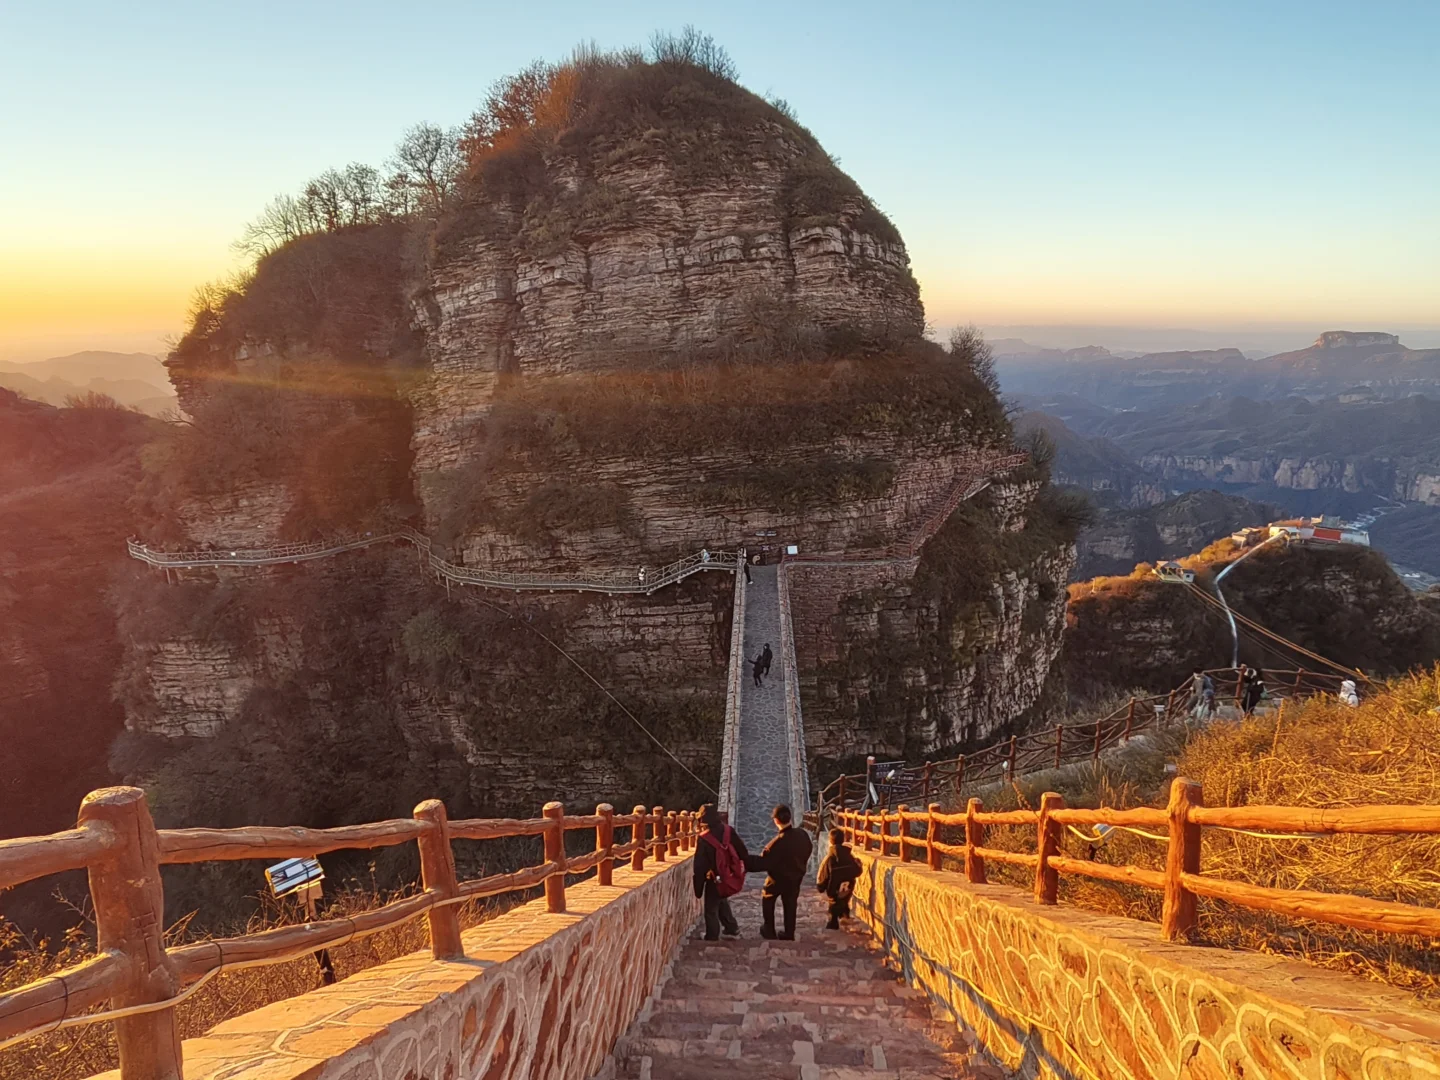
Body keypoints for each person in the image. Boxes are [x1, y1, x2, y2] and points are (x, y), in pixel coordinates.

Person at [748, 804, 813, 940]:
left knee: (768, 898)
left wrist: (745, 862)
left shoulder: (776, 843)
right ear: (790, 818)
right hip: (796, 876)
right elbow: (809, 848)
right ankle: (789, 933)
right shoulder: (802, 834)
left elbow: (764, 863)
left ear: (776, 821)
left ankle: (769, 930)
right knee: (790, 903)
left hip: (778, 879)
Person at [693, 804, 748, 941]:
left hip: (714, 877)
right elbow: (742, 851)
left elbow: (699, 866)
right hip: (728, 875)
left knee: (711, 908)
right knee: (721, 898)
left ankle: (712, 936)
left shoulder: (704, 838)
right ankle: (731, 928)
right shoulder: (729, 831)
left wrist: (698, 888)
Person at [816, 828, 862, 930]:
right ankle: (844, 916)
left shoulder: (829, 858)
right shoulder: (849, 856)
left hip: (834, 890)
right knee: (843, 901)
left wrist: (821, 887)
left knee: (833, 906)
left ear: (830, 841)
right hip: (848, 888)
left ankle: (833, 923)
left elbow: (822, 875)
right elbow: (857, 871)